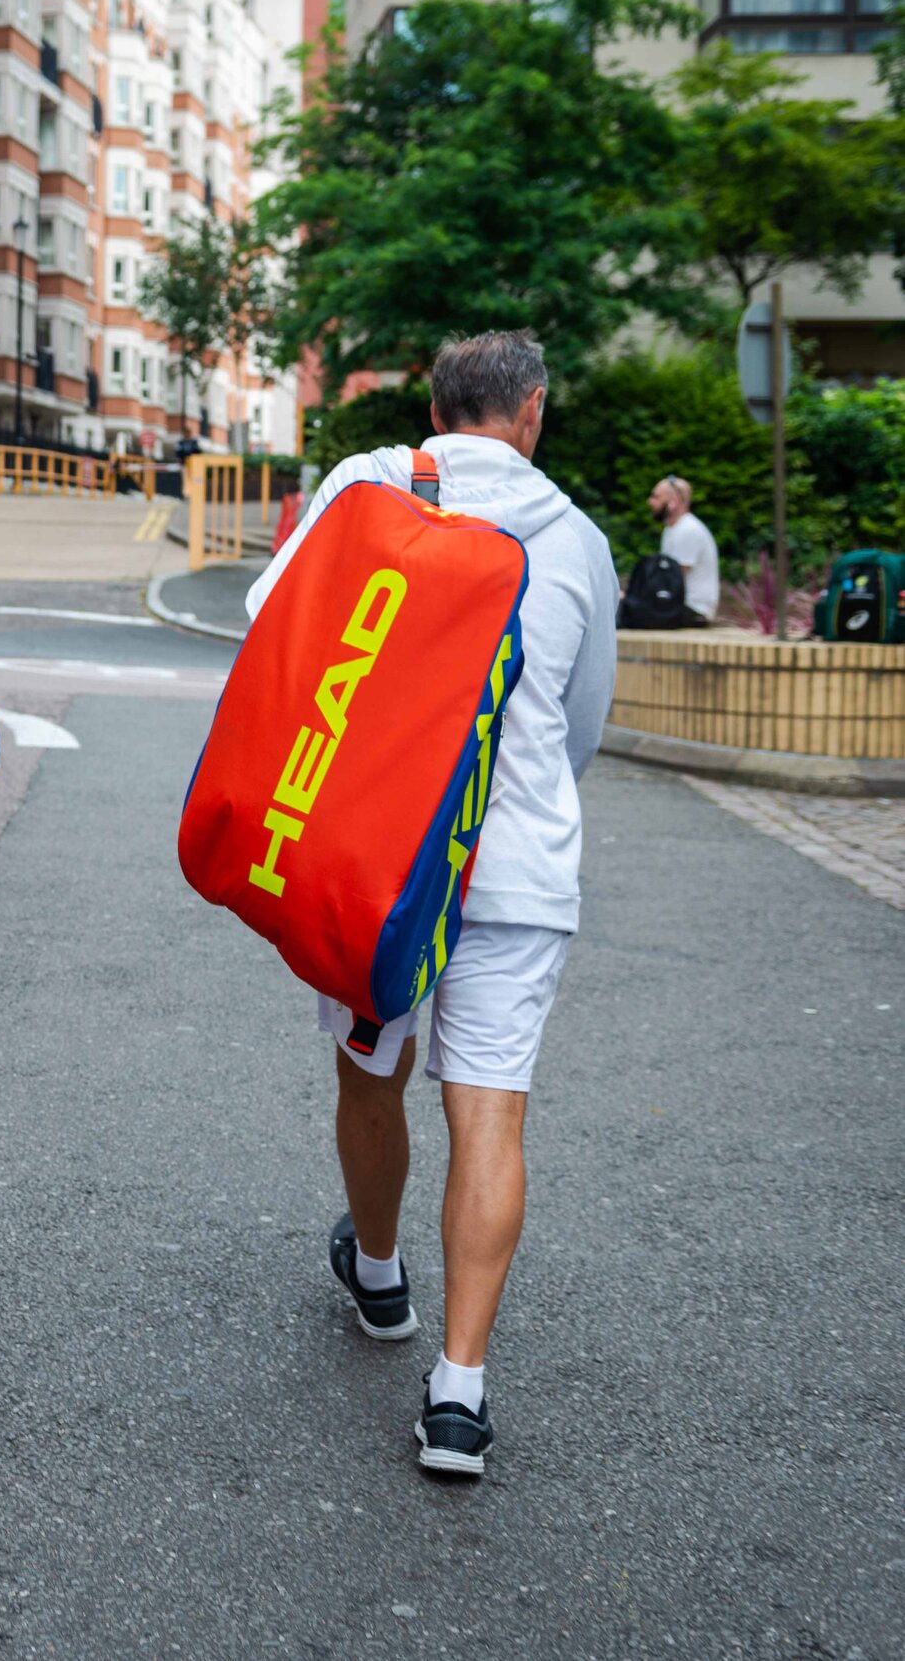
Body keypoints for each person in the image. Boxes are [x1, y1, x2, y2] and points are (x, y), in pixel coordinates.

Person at [245, 330, 616, 1478]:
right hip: (515, 871)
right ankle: (458, 1395)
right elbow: (585, 720)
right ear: (534, 411)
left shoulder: (368, 485)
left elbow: (272, 621)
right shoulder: (579, 542)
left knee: (371, 1073)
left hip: (379, 864)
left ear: (437, 405)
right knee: (490, 1113)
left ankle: (379, 1271)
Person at [647, 474, 719, 623]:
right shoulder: (672, 528)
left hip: (695, 608)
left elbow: (673, 579)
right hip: (681, 605)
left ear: (673, 502)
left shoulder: (688, 529)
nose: (650, 501)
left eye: (656, 497)